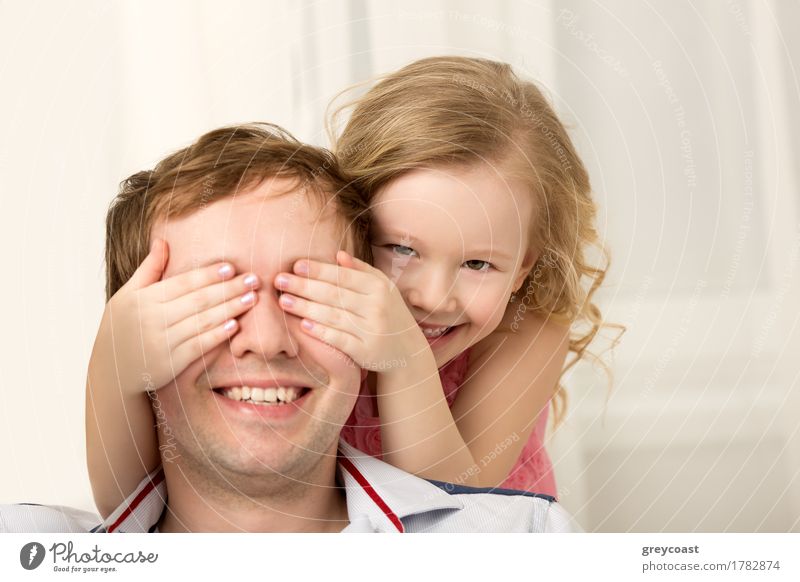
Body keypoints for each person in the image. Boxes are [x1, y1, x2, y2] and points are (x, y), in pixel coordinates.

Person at [0, 122, 580, 533]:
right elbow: (129, 508)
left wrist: (403, 359)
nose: (428, 298)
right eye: (400, 250)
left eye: (301, 290)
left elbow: (453, 515)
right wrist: (115, 362)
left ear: (522, 269)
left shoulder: (526, 330)